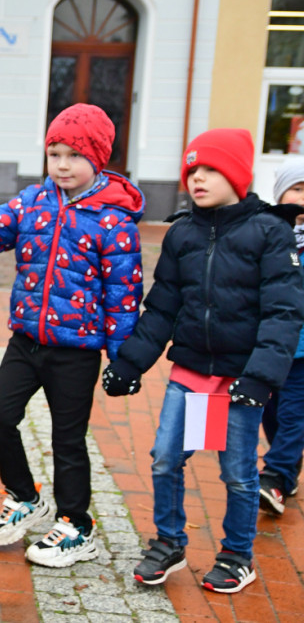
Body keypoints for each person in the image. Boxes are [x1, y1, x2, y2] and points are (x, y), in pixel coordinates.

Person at [0, 103, 144, 567]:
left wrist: (125, 361)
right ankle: (25, 497)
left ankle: (76, 527)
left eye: (73, 155)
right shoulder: (33, 203)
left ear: (97, 159)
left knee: (68, 440)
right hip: (26, 340)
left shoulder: (113, 220)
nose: (62, 165)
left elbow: (124, 298)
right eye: (54, 154)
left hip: (76, 351)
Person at [102, 129, 304, 593]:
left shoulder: (270, 232)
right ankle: (168, 542)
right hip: (191, 374)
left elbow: (283, 313)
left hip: (240, 382)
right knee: (165, 459)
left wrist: (259, 378)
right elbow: (162, 308)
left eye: (210, 169)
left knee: (236, 472)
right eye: (192, 170)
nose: (198, 178)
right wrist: (131, 363)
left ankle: (237, 555)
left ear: (237, 174)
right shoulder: (183, 233)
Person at [259, 154, 304, 516]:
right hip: (272, 345)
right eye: (298, 189)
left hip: (303, 350)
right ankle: (286, 471)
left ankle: (274, 475)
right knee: (270, 413)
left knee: (293, 413)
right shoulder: (270, 235)